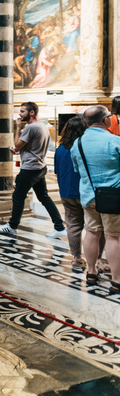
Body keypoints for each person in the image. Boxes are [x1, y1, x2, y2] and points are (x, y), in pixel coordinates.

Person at [0, 102, 64, 237]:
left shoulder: (30, 128)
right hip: (40, 166)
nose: (20, 114)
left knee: (18, 196)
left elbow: (17, 144)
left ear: (31, 112)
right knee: (44, 197)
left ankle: (12, 226)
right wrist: (20, 150)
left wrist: (18, 128)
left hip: (30, 169)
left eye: (22, 111)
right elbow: (32, 146)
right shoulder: (42, 125)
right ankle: (59, 227)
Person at [70, 106, 120, 293]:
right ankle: (116, 281)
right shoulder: (115, 141)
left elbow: (77, 169)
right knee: (113, 237)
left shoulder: (78, 143)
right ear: (106, 120)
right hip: (112, 196)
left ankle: (91, 273)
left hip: (88, 195)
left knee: (92, 233)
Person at [56, 117, 91, 268]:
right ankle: (96, 260)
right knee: (93, 227)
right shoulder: (85, 147)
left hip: (66, 192)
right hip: (86, 192)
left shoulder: (60, 149)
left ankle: (76, 258)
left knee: (73, 226)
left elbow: (57, 171)